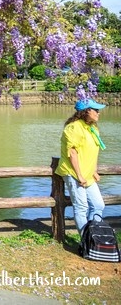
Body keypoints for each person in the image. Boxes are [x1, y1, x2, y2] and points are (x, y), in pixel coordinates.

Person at [55, 99, 107, 233]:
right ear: (86, 111)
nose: (98, 113)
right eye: (95, 110)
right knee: (81, 207)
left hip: (88, 174)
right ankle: (86, 241)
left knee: (98, 205)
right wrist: (79, 175)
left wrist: (94, 170)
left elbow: (93, 150)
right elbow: (72, 153)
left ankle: (93, 235)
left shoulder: (92, 128)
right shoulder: (73, 127)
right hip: (74, 173)